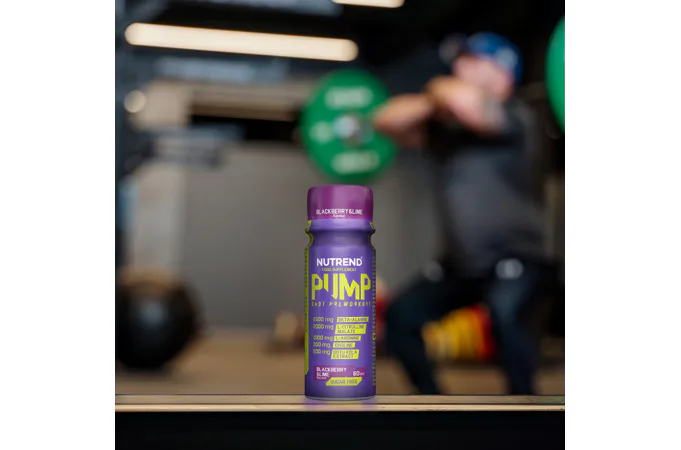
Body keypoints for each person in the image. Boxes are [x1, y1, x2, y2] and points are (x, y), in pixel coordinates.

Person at [373, 32, 549, 395]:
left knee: (506, 321)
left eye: (472, 61)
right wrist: (435, 99)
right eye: (460, 61)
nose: (459, 67)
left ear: (501, 73)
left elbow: (465, 102)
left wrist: (438, 89)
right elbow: (385, 120)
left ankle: (526, 412)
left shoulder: (516, 116)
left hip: (516, 257)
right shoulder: (446, 128)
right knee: (402, 316)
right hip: (463, 262)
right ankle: (435, 405)